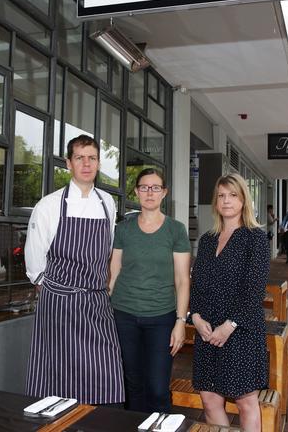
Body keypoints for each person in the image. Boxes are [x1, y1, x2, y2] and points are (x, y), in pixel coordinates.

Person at [24, 135, 124, 405]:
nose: (86, 163)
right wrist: (54, 289)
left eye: (92, 158)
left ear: (99, 163)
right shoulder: (49, 205)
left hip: (96, 300)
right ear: (68, 163)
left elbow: (108, 251)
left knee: (106, 369)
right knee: (58, 374)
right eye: (80, 158)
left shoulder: (107, 203)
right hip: (59, 301)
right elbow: (34, 260)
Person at [189, 173, 269, 431]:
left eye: (233, 195)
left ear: (244, 200)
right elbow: (197, 285)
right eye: (221, 196)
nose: (226, 201)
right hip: (207, 331)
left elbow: (254, 291)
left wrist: (230, 325)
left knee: (246, 401)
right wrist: (196, 317)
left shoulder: (255, 238)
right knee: (209, 399)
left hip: (241, 331)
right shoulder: (207, 240)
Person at [109, 168, 191, 413]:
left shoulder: (175, 230)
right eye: (144, 187)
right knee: (132, 385)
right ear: (136, 191)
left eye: (156, 188)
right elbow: (113, 273)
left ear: (164, 193)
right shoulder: (123, 229)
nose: (149, 192)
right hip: (124, 315)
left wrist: (180, 322)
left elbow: (182, 280)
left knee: (157, 387)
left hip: (161, 318)